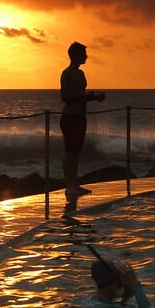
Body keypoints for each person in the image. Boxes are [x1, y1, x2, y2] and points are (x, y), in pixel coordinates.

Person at [60, 41, 105, 200]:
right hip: (70, 117)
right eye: (83, 54)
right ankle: (69, 186)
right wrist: (87, 96)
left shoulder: (81, 74)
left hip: (80, 116)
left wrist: (93, 98)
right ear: (75, 55)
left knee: (76, 152)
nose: (86, 56)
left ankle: (75, 184)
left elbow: (80, 96)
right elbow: (65, 97)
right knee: (69, 151)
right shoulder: (67, 74)